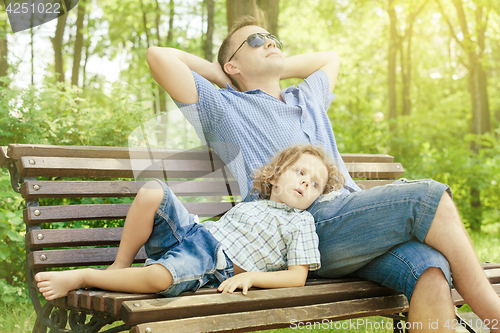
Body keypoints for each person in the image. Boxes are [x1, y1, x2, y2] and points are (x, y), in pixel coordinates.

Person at [145, 16, 500, 332]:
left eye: (273, 40)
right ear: (233, 64)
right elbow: (158, 57)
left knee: (430, 268)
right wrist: (220, 73)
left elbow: (331, 58)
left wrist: (271, 64)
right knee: (426, 197)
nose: (269, 42)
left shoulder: (307, 97)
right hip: (298, 226)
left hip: (352, 223)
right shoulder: (224, 107)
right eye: (255, 41)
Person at [35, 144, 344, 299]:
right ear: (275, 177)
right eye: (300, 172)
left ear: (316, 197)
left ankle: (84, 276)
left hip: (212, 258)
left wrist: (252, 278)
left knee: (161, 278)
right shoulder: (255, 204)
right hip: (193, 230)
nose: (306, 183)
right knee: (153, 190)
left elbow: (296, 278)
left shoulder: (301, 222)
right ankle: (119, 265)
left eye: (315, 184)